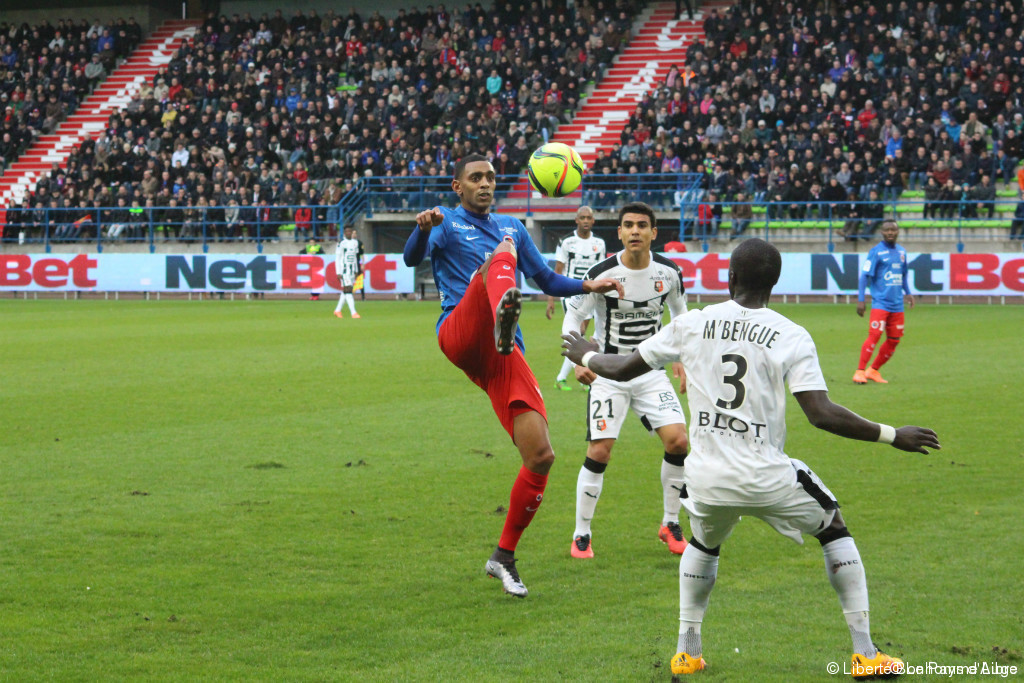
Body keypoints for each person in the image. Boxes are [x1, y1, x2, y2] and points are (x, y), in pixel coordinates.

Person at [561, 238, 940, 678]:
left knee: (704, 544)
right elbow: (821, 414)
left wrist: (585, 354)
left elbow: (624, 367)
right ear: (774, 283)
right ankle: (866, 654)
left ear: (731, 278)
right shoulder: (791, 334)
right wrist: (892, 435)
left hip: (706, 480)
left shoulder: (693, 323)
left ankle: (687, 652)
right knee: (833, 527)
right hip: (766, 476)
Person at [403, 154, 623, 597]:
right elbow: (411, 258)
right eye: (475, 178)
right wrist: (423, 228)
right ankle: (501, 316)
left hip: (504, 353)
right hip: (462, 331)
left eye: (490, 177)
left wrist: (587, 285)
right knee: (500, 255)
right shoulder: (446, 220)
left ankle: (503, 556)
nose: (485, 183)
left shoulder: (513, 226)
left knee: (541, 455)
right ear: (458, 187)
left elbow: (546, 280)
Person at [561, 201, 690, 559]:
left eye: (642, 225)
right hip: (608, 373)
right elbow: (573, 318)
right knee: (600, 449)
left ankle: (670, 523)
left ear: (653, 232)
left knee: (679, 441)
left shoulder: (669, 272)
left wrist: (681, 359)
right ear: (618, 233)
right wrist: (577, 359)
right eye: (628, 225)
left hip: (650, 371)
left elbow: (681, 316)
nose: (635, 231)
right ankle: (582, 533)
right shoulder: (602, 273)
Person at [546, 205, 606, 391]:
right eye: (582, 218)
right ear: (576, 220)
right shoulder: (566, 242)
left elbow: (602, 271)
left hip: (591, 294)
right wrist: (551, 299)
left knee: (580, 336)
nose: (586, 221)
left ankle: (564, 378)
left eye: (589, 218)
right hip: (570, 292)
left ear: (593, 221)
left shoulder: (599, 243)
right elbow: (558, 271)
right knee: (578, 332)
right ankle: (577, 376)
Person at [853, 220, 914, 385]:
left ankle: (873, 370)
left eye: (893, 230)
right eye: (887, 230)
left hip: (897, 305)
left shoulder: (902, 252)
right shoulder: (876, 252)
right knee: (874, 335)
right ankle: (859, 371)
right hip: (880, 303)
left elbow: (903, 275)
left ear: (898, 232)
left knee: (894, 340)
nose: (890, 233)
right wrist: (861, 299)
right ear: (882, 232)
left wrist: (908, 293)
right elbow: (864, 276)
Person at [334, 226, 362, 318]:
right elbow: (337, 258)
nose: (349, 233)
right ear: (344, 233)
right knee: (349, 290)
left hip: (352, 270)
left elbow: (355, 258)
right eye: (347, 231)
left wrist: (356, 270)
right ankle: (353, 313)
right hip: (344, 270)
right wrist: (338, 272)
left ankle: (337, 310)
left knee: (346, 290)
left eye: (350, 231)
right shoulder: (341, 243)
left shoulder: (355, 243)